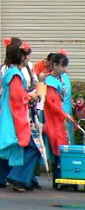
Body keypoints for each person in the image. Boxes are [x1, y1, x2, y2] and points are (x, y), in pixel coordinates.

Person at [0, 40, 41, 191]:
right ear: (21, 56)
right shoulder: (15, 74)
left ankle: (6, 177)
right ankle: (19, 178)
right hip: (15, 116)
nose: (28, 59)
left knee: (13, 146)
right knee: (32, 146)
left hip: (8, 114)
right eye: (27, 56)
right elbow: (18, 97)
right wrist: (31, 96)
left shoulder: (9, 71)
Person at [42, 53, 75, 184]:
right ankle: (59, 178)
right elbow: (51, 102)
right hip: (55, 117)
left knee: (67, 146)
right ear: (54, 65)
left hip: (65, 116)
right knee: (58, 146)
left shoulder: (63, 77)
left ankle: (67, 177)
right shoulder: (50, 81)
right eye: (63, 66)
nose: (65, 69)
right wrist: (63, 114)